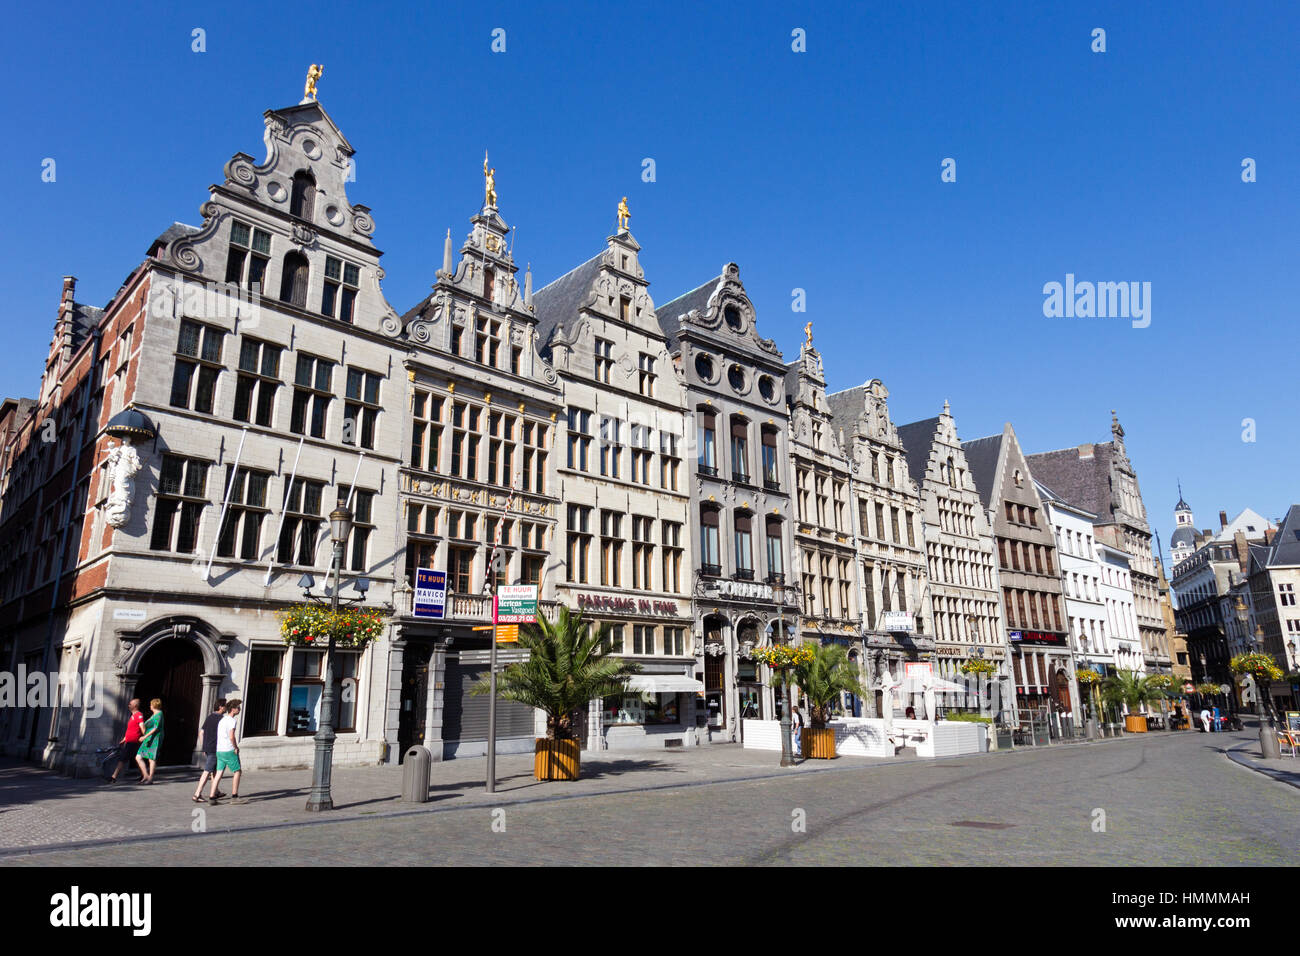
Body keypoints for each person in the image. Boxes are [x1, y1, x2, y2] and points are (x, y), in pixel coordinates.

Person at [208, 699, 244, 805]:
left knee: (218, 773)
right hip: (229, 750)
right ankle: (234, 796)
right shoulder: (232, 721)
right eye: (238, 707)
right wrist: (236, 747)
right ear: (233, 709)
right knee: (237, 771)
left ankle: (212, 796)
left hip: (220, 750)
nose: (239, 709)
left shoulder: (222, 720)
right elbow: (231, 736)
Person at [193, 699, 228, 803]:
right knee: (207, 771)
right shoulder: (222, 719)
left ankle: (216, 791)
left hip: (208, 748)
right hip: (215, 748)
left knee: (214, 770)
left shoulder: (209, 717)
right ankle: (197, 794)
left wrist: (204, 746)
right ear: (221, 707)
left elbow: (201, 733)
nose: (226, 708)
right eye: (225, 706)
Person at [108, 698, 145, 783]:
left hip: (133, 742)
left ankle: (113, 777)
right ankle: (144, 774)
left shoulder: (139, 715)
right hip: (129, 741)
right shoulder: (132, 715)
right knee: (137, 758)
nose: (128, 705)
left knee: (123, 758)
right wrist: (124, 739)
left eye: (130, 704)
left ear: (135, 705)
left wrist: (144, 737)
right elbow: (131, 729)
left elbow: (142, 727)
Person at [135, 698, 164, 783]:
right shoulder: (154, 714)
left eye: (151, 704)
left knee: (151, 758)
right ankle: (145, 775)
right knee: (138, 756)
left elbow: (155, 728)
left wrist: (144, 737)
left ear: (154, 705)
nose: (150, 706)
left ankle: (150, 778)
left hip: (155, 738)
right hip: (149, 738)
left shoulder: (159, 714)